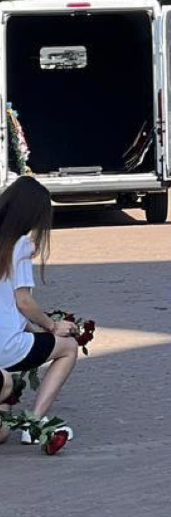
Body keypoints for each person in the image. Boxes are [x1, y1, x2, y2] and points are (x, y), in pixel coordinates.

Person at [0, 177, 81, 448]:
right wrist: (51, 326)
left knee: (1, 433)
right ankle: (34, 423)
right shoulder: (18, 244)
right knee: (69, 346)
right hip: (6, 346)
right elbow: (23, 301)